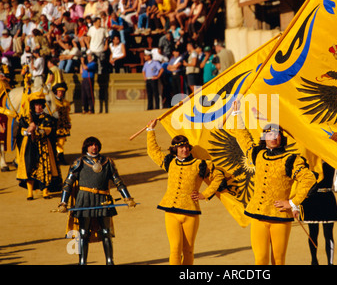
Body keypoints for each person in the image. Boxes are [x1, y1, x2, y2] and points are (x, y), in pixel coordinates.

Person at [231, 100, 317, 265]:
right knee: (260, 260)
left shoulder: (291, 159)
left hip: (280, 217)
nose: (273, 137)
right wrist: (236, 114)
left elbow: (309, 179)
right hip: (258, 215)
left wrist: (292, 202)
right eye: (269, 134)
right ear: (264, 138)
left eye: (276, 134)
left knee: (278, 261)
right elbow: (243, 138)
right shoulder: (257, 154)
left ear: (281, 137)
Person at [146, 118, 225, 265]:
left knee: (188, 249)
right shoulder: (170, 162)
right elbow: (153, 151)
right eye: (181, 147)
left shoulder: (199, 164)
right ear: (175, 149)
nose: (185, 149)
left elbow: (219, 176)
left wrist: (205, 194)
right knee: (175, 248)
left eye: (186, 146)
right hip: (171, 211)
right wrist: (151, 130)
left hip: (190, 212)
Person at [57, 136, 136, 265]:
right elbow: (68, 183)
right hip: (84, 200)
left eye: (96, 145)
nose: (94, 147)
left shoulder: (107, 161)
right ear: (86, 147)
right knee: (83, 233)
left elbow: (118, 181)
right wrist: (63, 202)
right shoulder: (79, 162)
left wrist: (127, 197)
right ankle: (82, 262)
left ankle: (110, 261)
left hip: (103, 199)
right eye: (91, 145)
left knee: (106, 232)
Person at [300, 161, 337, 265]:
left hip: (327, 200)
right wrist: (295, 207)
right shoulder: (308, 164)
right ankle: (314, 261)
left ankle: (330, 263)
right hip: (311, 200)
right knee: (313, 234)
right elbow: (300, 187)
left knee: (328, 234)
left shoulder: (333, 164)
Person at [16, 91, 61, 200]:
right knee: (29, 167)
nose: (39, 107)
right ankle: (30, 192)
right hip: (29, 147)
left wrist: (35, 129)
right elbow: (20, 133)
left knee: (45, 168)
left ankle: (45, 191)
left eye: (41, 105)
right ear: (33, 106)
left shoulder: (47, 118)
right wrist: (28, 130)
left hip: (43, 146)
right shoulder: (26, 118)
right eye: (37, 105)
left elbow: (48, 131)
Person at [52, 82, 71, 165]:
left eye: (62, 92)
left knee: (62, 141)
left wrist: (69, 122)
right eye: (59, 91)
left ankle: (60, 155)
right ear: (56, 92)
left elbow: (67, 114)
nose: (61, 93)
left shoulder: (66, 102)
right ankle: (58, 156)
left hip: (63, 125)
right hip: (55, 125)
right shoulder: (52, 102)